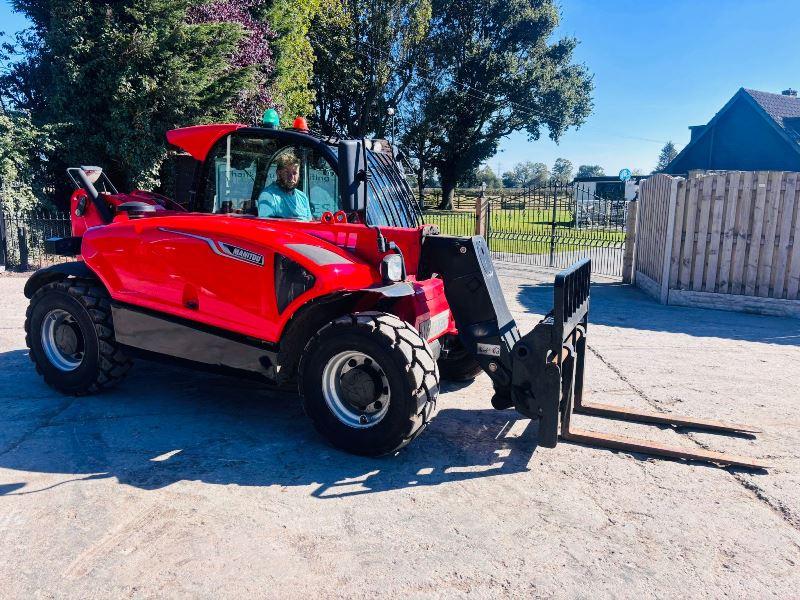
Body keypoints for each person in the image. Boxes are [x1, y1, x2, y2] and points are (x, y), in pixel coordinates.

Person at [257, 151, 312, 220]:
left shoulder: (303, 197)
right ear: (278, 173)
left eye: (294, 173)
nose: (291, 177)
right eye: (286, 172)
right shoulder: (268, 196)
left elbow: (309, 223)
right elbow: (266, 227)